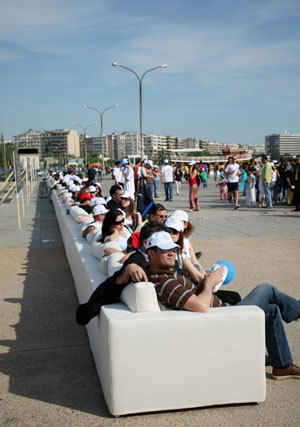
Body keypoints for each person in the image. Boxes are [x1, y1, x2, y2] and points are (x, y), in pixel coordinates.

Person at [146, 231, 300, 380]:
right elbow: (200, 306)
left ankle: (282, 367)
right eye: (165, 250)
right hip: (223, 316)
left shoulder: (169, 273)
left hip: (222, 311)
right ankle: (297, 311)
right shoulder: (165, 282)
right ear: (151, 253)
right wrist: (209, 284)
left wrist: (206, 281)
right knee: (267, 289)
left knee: (271, 310)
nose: (172, 253)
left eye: (173, 249)